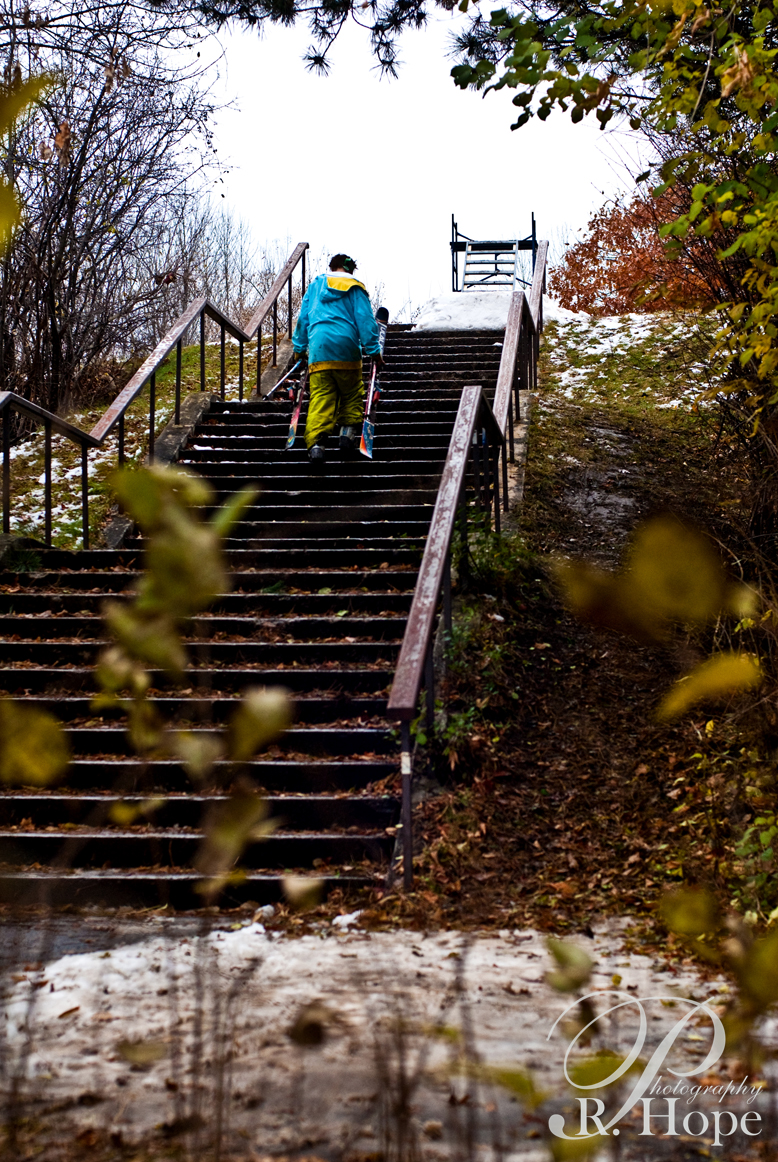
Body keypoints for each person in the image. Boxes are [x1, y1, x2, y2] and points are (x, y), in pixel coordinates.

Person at [292, 253, 383, 467]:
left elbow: (303, 319)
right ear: (350, 269)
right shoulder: (355, 286)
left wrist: (299, 349)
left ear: (331, 267)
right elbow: (365, 319)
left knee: (321, 396)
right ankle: (347, 434)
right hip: (347, 347)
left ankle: (316, 446)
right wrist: (374, 350)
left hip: (319, 347)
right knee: (351, 392)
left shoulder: (315, 286)